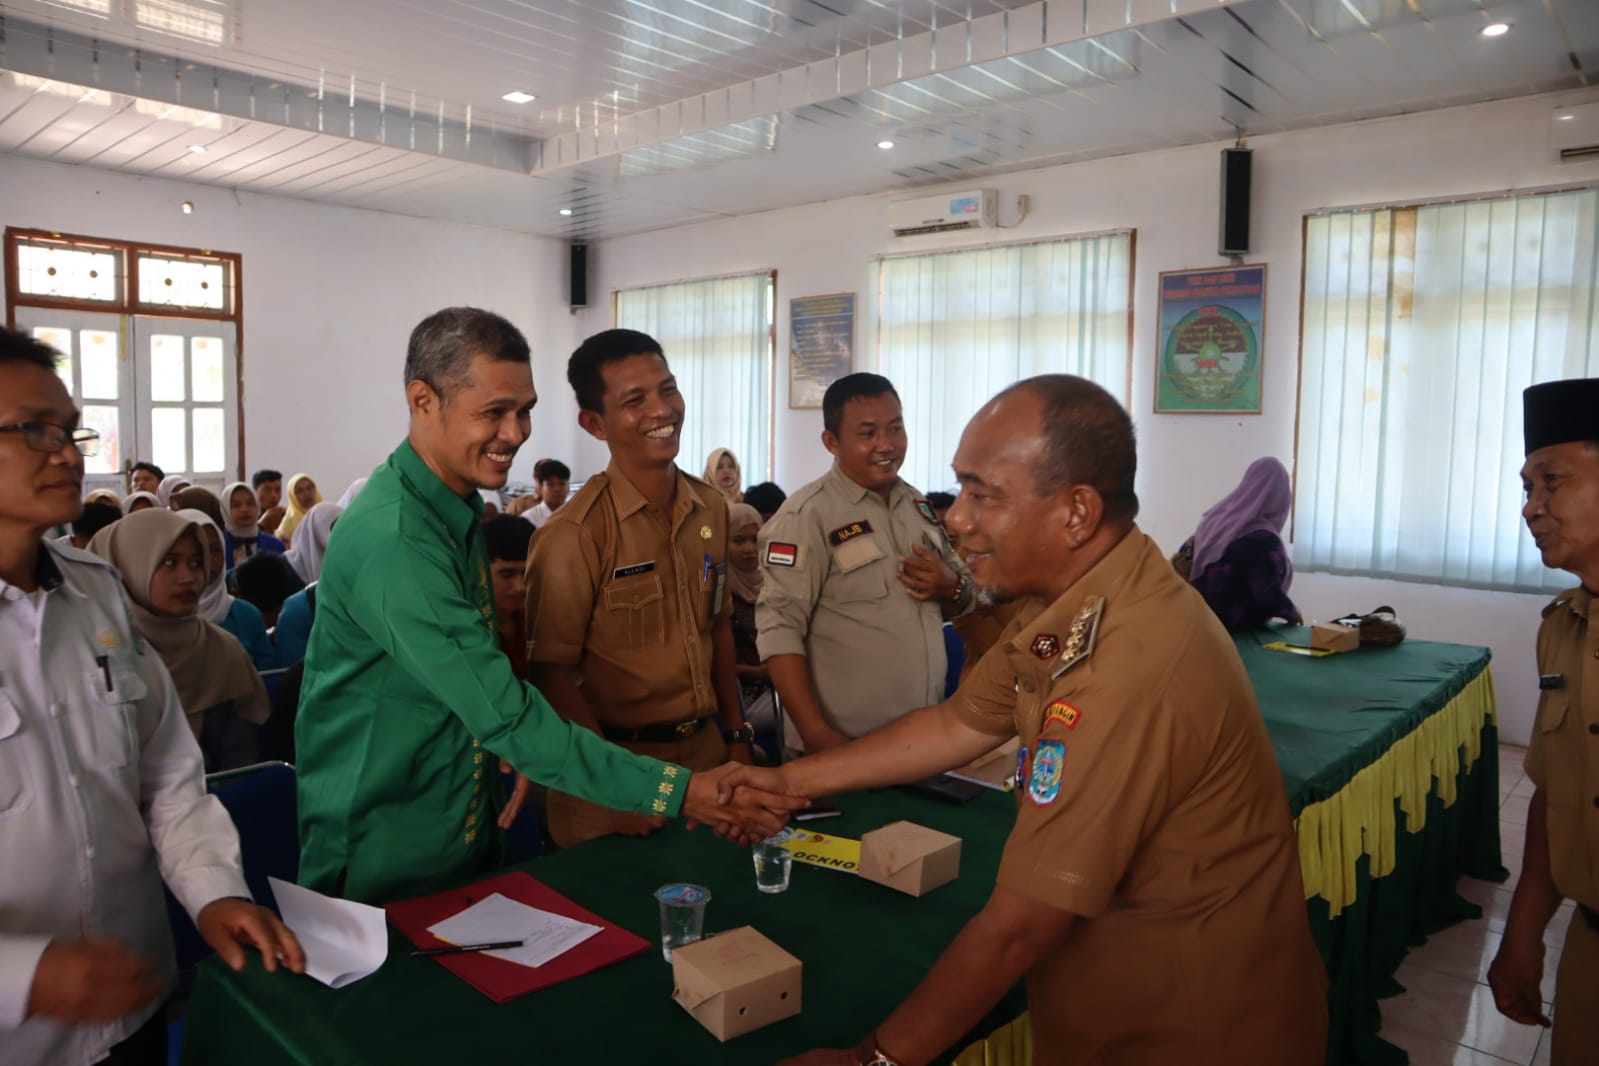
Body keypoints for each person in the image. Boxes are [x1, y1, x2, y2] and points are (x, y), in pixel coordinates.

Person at [732, 375, 1328, 1066]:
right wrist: (786, 783)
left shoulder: (1129, 661)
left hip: (1189, 1023)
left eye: (983, 494)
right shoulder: (1074, 607)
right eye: (959, 489)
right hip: (1108, 999)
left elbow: (1020, 927)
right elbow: (955, 725)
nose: (956, 518)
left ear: (1075, 512)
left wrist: (875, 1060)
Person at [294, 308, 799, 905]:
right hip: (390, 848)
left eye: (524, 410)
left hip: (469, 818)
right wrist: (677, 791)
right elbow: (511, 711)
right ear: (423, 400)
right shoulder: (398, 538)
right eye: (494, 413)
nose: (516, 434)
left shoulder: (447, 513)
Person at [0, 328, 303, 1066]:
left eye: (71, 431)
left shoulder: (96, 595)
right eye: (34, 430)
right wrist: (24, 976)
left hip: (129, 999)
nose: (68, 453)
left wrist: (213, 893)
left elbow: (168, 776)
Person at [524, 328, 756, 847]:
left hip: (706, 759)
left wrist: (737, 735)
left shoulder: (710, 508)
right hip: (613, 772)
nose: (662, 410)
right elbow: (551, 676)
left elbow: (717, 626)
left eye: (667, 389)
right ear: (594, 423)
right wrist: (617, 788)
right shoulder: (574, 534)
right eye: (635, 400)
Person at [757, 373, 972, 753]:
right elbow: (779, 632)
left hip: (921, 737)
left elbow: (967, 591)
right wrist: (816, 734)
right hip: (843, 745)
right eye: (868, 433)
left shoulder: (916, 504)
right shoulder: (806, 516)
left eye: (896, 428)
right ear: (832, 442)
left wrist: (949, 586)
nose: (886, 445)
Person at [1487, 377, 1599, 1065]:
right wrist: (1522, 935)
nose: (1531, 509)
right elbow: (1557, 793)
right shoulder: (1562, 630)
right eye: (1525, 490)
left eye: (1549, 482)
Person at [89, 510, 272, 772]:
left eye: (197, 563)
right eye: (170, 563)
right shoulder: (99, 656)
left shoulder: (222, 650)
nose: (188, 577)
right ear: (127, 567)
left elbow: (238, 771)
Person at [1177, 457, 1301, 632]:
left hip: (1198, 617)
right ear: (1280, 494)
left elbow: (1184, 555)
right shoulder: (1264, 540)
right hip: (1235, 627)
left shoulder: (1215, 519)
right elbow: (1265, 591)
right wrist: (1291, 612)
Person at [180, 510, 277, 675]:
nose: (208, 559)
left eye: (214, 550)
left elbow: (267, 678)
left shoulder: (246, 615)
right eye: (197, 552)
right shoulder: (161, 622)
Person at [727, 502, 770, 709]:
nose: (749, 549)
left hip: (775, 688)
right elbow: (711, 664)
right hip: (738, 698)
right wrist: (760, 673)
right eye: (738, 540)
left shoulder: (771, 584)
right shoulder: (717, 592)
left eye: (755, 540)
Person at [483, 515, 534, 679]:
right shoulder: (465, 627)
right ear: (480, 571)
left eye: (527, 573)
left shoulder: (538, 619)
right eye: (507, 574)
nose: (520, 587)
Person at [222, 481, 286, 569]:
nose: (244, 509)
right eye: (236, 505)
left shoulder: (275, 544)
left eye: (250, 503)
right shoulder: (219, 545)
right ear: (225, 509)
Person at [282, 501, 341, 585]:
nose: (338, 532)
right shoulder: (284, 566)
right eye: (333, 526)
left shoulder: (343, 561)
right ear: (314, 528)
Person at [520, 458, 570, 529]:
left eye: (562, 484)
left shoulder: (577, 515)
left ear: (568, 487)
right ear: (540, 488)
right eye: (551, 484)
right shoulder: (529, 518)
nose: (557, 489)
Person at [276, 473, 321, 544]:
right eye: (300, 491)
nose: (306, 493)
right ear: (292, 496)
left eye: (309, 488)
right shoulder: (289, 523)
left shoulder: (325, 512)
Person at [252, 468, 285, 536]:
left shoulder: (285, 516)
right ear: (254, 492)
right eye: (267, 490)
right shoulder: (246, 516)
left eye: (277, 490)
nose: (273, 495)